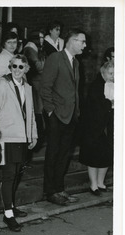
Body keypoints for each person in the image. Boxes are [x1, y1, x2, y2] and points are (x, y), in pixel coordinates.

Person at [0, 54, 38, 232]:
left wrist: (33, 135)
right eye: (14, 66)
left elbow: (30, 114)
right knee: (9, 175)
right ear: (10, 68)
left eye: (21, 67)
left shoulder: (28, 88)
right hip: (7, 136)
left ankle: (10, 206)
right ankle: (8, 214)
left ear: (26, 69)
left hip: (22, 137)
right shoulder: (0, 84)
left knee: (16, 173)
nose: (17, 70)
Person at [40, 28, 87, 205]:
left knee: (63, 155)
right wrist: (51, 111)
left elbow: (74, 91)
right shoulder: (55, 58)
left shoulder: (76, 63)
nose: (85, 45)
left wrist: (77, 112)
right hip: (57, 115)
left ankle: (59, 189)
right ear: (71, 41)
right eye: (82, 41)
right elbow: (45, 87)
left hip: (71, 116)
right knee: (53, 154)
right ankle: (50, 191)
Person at [79, 60, 114, 195]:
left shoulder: (115, 85)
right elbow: (96, 105)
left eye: (114, 74)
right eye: (110, 73)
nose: (112, 76)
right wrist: (110, 103)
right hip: (94, 128)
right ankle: (93, 184)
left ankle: (101, 182)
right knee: (93, 157)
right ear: (103, 72)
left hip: (107, 126)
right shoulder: (96, 85)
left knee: (106, 156)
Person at [24, 30, 46, 149]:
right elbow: (37, 66)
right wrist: (47, 64)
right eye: (40, 37)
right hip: (35, 83)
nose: (42, 40)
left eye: (43, 37)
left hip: (38, 83)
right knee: (37, 110)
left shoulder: (36, 49)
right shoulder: (30, 49)